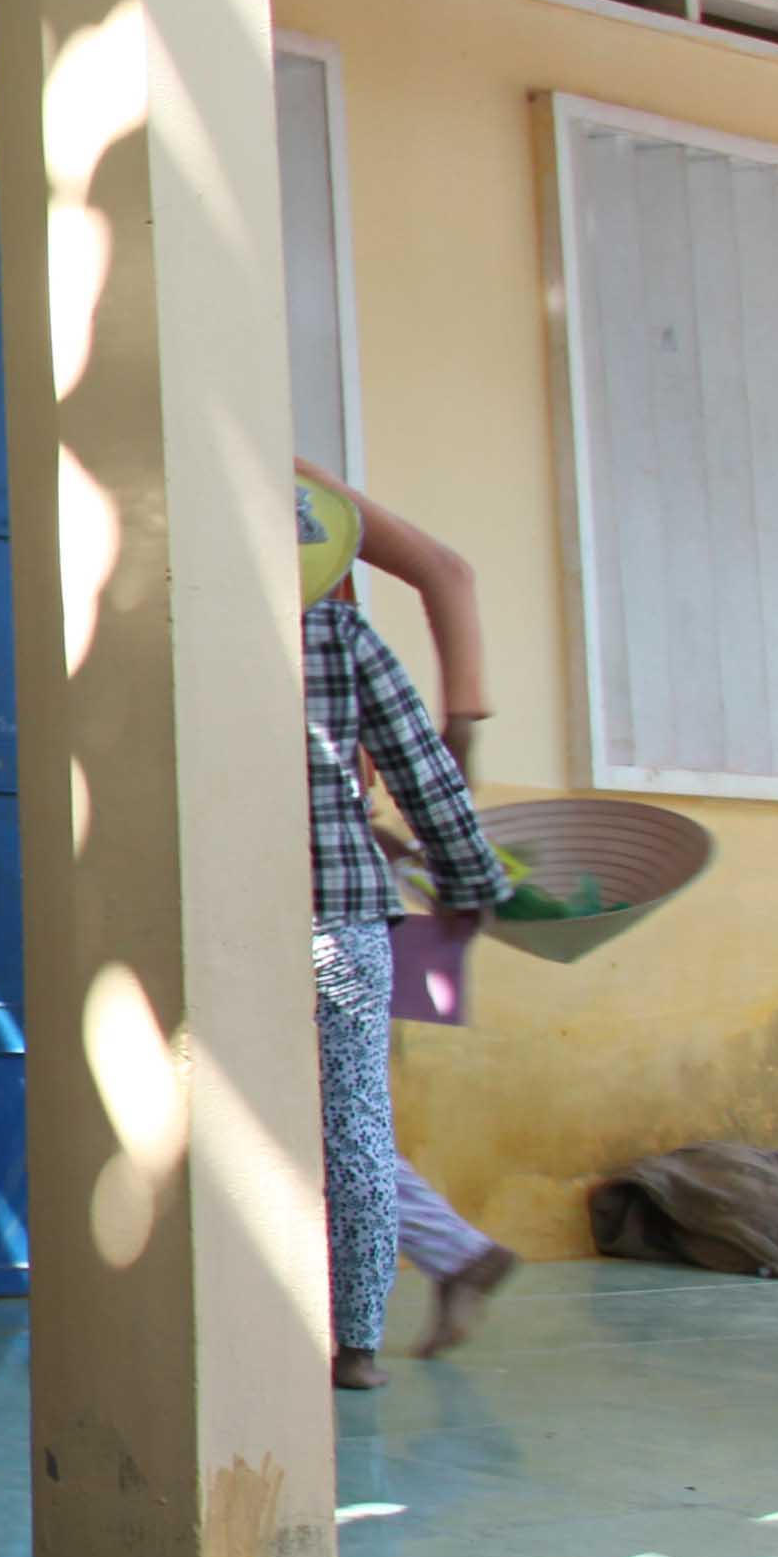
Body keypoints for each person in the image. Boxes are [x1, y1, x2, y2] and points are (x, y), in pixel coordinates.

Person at [303, 467, 522, 1356]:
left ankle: (452, 1255)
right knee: (347, 1116)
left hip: (218, 911)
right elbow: (425, 768)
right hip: (344, 906)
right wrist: (467, 876)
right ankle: (363, 1340)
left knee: (273, 1112)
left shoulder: (179, 628)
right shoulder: (338, 627)